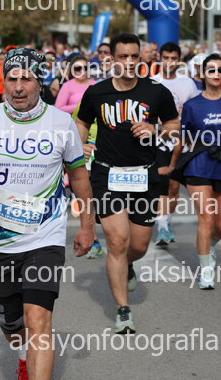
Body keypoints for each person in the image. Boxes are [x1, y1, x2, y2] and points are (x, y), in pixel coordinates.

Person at [0, 47, 94, 380]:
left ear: (39, 82)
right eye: (12, 79)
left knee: (38, 320)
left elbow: (79, 178)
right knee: (11, 323)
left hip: (46, 235)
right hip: (0, 237)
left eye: (26, 79)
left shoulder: (61, 123)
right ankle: (22, 353)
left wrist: (87, 226)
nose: (17, 87)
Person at [76, 33, 180, 333]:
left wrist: (155, 129)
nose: (130, 62)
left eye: (134, 56)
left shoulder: (156, 92)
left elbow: (174, 126)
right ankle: (123, 310)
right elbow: (82, 122)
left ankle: (128, 263)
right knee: (117, 240)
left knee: (139, 246)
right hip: (107, 174)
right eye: (123, 56)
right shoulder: (96, 92)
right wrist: (80, 145)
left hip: (144, 175)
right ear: (112, 59)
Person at [170, 54, 221, 290]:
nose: (216, 74)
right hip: (198, 163)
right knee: (206, 218)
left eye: (220, 70)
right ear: (203, 74)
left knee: (220, 225)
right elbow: (183, 136)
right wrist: (175, 162)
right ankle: (205, 269)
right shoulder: (192, 105)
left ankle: (211, 246)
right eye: (211, 70)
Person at [150, 42, 200, 246]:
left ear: (179, 60)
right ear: (160, 58)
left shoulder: (188, 84)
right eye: (166, 58)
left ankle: (166, 221)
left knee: (173, 186)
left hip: (181, 140)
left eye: (173, 58)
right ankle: (161, 225)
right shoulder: (152, 82)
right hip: (158, 140)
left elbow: (195, 110)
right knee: (161, 183)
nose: (169, 62)